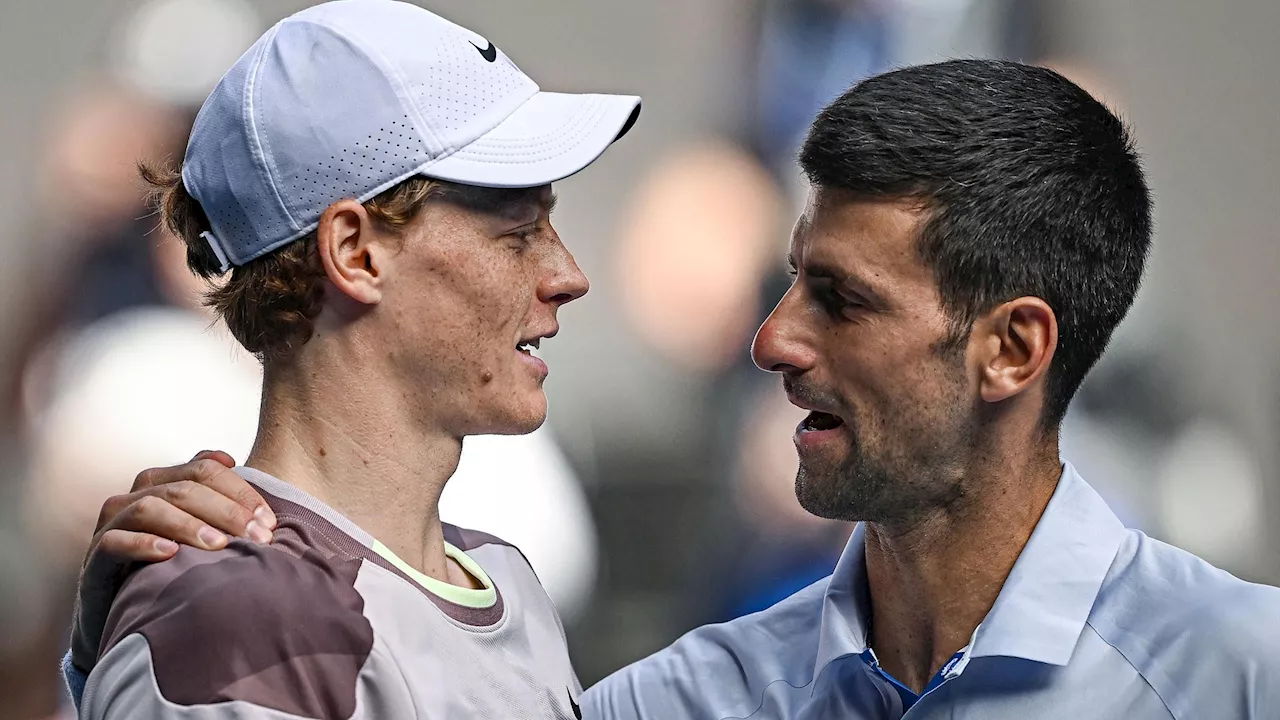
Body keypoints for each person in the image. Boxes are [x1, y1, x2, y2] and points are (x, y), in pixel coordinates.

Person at [66, 60, 1280, 718]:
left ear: (1011, 350)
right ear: (352, 254)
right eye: (513, 229)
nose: (769, 343)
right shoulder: (683, 699)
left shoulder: (1245, 674)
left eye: (840, 301)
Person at [61, 0, 640, 717]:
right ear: (355, 252)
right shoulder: (236, 622)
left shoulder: (502, 575)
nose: (568, 275)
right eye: (518, 231)